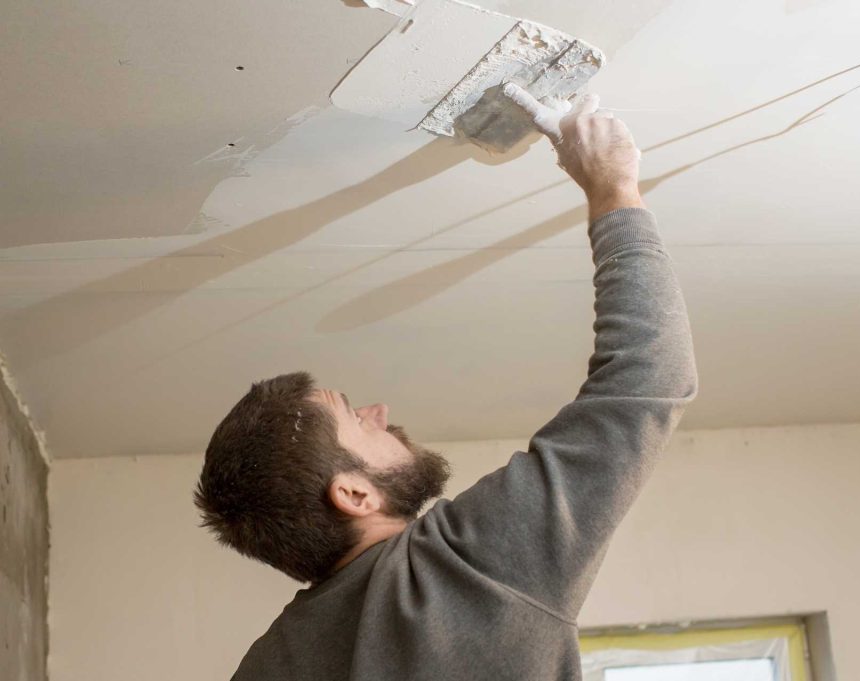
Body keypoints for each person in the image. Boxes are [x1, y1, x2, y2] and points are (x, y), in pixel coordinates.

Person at [194, 84, 698, 681]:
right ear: (354, 494)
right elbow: (645, 381)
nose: (379, 411)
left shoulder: (267, 666)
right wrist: (613, 189)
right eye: (356, 418)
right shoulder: (458, 570)